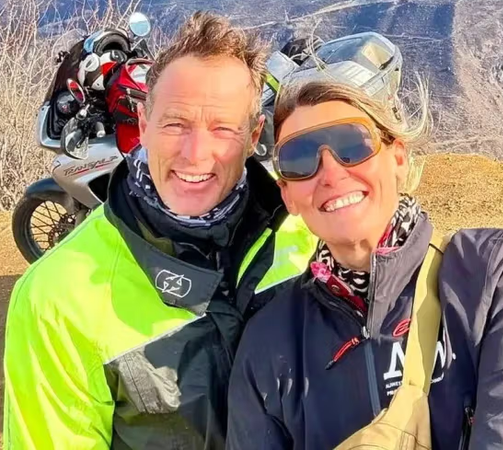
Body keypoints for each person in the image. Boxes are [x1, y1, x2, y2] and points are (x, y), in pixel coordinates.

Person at [3, 12, 317, 450]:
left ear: (253, 135)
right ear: (143, 124)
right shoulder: (56, 297)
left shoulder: (308, 235)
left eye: (223, 128)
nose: (196, 153)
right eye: (175, 123)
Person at [226, 79, 503, 449]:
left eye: (352, 145)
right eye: (299, 159)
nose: (331, 172)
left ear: (398, 159)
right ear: (288, 195)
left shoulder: (496, 273)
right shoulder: (268, 342)